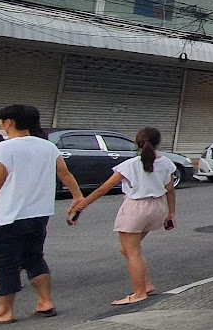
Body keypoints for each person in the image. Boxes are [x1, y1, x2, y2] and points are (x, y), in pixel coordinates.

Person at [0, 104, 83, 325]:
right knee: (34, 257)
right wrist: (77, 198)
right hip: (38, 214)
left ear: (9, 123)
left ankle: (4, 312)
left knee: (4, 262)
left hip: (7, 215)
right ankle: (45, 302)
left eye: (0, 122)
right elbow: (64, 173)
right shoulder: (47, 146)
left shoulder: (5, 148)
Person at [66, 126, 177, 305]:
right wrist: (171, 213)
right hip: (157, 207)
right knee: (129, 249)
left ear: (137, 143)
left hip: (136, 208)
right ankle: (146, 285)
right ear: (159, 142)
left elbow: (103, 189)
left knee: (131, 250)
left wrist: (80, 207)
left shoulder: (130, 165)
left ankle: (139, 292)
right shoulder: (167, 163)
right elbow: (170, 190)